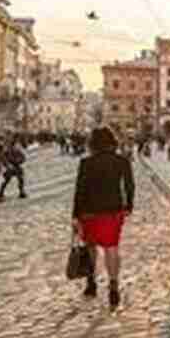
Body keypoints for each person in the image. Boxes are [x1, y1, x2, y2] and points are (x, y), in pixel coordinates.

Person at [72, 126, 134, 308]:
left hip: (89, 212)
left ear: (93, 143)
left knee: (91, 247)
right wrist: (129, 205)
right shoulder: (122, 161)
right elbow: (130, 185)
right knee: (112, 248)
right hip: (113, 212)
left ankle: (91, 282)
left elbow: (79, 191)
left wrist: (75, 215)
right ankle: (113, 286)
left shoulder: (86, 163)